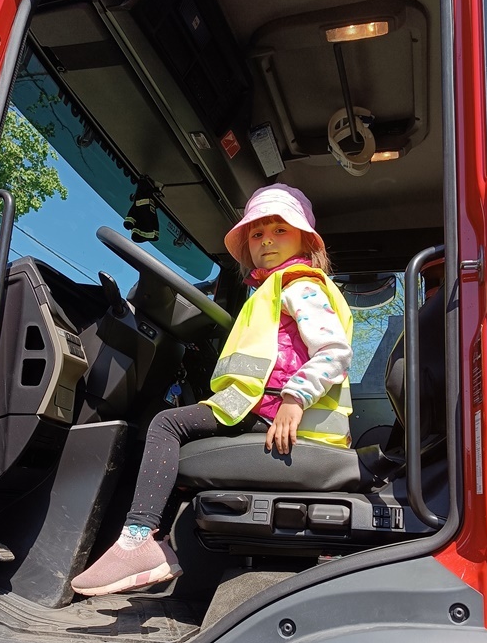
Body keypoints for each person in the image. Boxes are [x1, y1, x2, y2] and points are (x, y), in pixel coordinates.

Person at [71, 184, 354, 597]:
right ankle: (156, 547)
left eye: (280, 230)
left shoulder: (299, 285)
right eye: (257, 234)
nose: (266, 241)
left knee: (166, 425)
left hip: (274, 410)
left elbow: (334, 351)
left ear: (305, 241)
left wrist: (295, 399)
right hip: (262, 406)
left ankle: (136, 540)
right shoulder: (272, 289)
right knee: (179, 433)